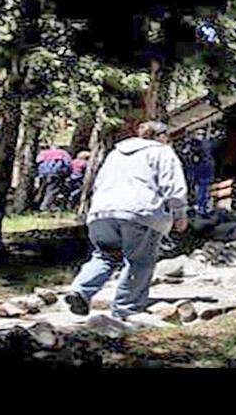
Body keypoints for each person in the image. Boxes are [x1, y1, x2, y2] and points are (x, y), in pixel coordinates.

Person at [63, 121, 188, 320]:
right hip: (140, 211)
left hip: (102, 211)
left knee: (104, 255)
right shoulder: (162, 152)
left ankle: (80, 290)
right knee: (139, 261)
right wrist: (179, 214)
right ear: (161, 136)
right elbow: (173, 186)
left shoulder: (115, 153)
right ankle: (126, 309)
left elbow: (98, 182)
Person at [187, 127, 217, 216]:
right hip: (201, 172)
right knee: (201, 190)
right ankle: (201, 206)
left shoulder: (204, 144)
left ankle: (202, 207)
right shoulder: (201, 144)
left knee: (203, 190)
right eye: (198, 134)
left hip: (204, 171)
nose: (200, 136)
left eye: (201, 134)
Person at [36, 143, 73, 212]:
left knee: (42, 189)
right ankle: (45, 207)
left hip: (43, 173)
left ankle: (36, 205)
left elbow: (37, 162)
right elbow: (68, 163)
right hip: (56, 173)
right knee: (52, 191)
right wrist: (68, 174)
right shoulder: (62, 153)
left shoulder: (43, 153)